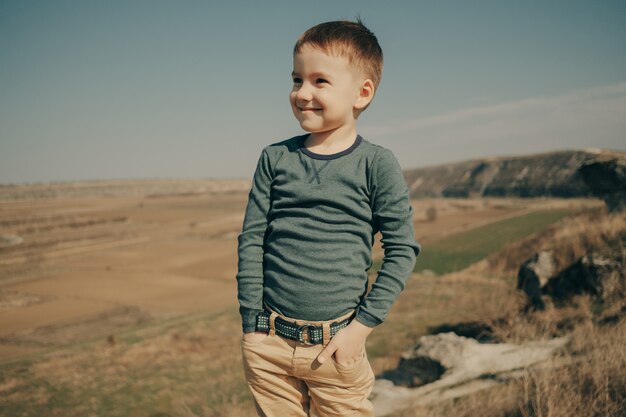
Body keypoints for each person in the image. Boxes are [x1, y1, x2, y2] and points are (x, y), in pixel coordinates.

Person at [236, 18, 421, 417]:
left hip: (337, 348)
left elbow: (402, 250)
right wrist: (251, 324)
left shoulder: (376, 164)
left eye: (320, 81)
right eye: (296, 79)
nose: (303, 93)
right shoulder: (275, 158)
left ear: (362, 92)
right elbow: (252, 239)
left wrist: (361, 330)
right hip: (269, 346)